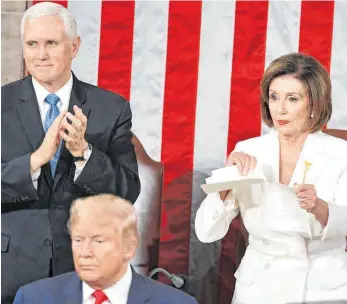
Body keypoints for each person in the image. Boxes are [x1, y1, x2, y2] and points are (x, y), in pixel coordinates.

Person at [1, 2, 140, 303]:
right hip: (10, 267)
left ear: (74, 46)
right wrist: (35, 161)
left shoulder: (111, 109)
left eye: (51, 43)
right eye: (32, 44)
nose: (41, 55)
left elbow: (127, 190)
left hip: (85, 266)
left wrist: (84, 153)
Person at [195, 53, 347, 304]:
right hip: (258, 289)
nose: (280, 109)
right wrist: (225, 182)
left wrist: (319, 207)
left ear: (315, 104)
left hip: (322, 288)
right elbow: (206, 232)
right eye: (274, 97)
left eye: (292, 99)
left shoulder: (340, 153)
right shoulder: (249, 150)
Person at [13, 194, 198, 304]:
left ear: (129, 247)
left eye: (98, 241)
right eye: (78, 240)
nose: (85, 252)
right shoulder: (32, 299)